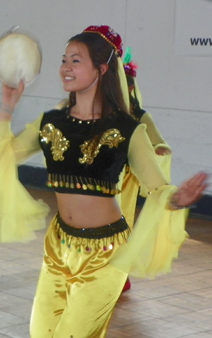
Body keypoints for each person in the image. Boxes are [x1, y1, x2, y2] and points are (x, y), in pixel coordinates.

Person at [0, 25, 208, 337]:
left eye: (75, 61)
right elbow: (2, 156)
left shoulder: (128, 129)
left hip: (106, 254)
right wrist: (7, 107)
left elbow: (157, 187)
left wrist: (177, 199)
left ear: (101, 70)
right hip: (58, 246)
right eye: (64, 60)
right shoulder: (51, 122)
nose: (65, 67)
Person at [119, 48, 173, 292]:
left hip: (128, 181)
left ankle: (118, 274)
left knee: (120, 224)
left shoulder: (139, 117)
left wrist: (159, 150)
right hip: (101, 179)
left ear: (130, 88)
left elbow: (159, 142)